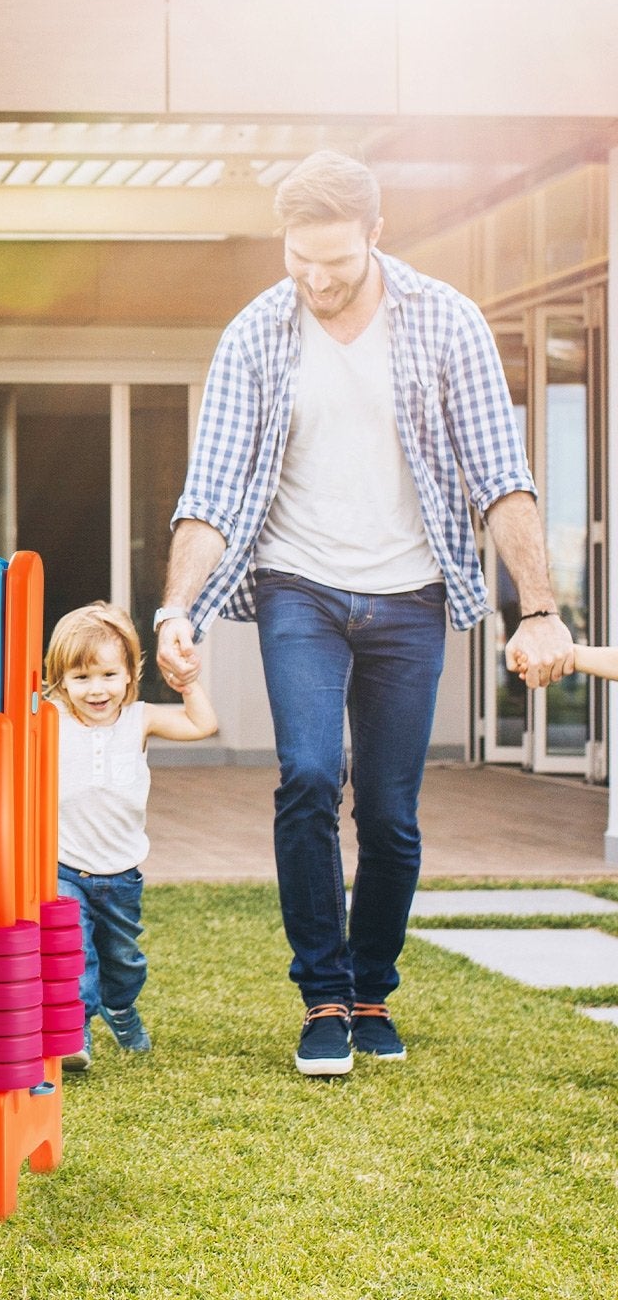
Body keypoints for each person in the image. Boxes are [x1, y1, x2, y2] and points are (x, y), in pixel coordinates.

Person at [155, 150, 572, 1079]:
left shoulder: (446, 322)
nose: (316, 277)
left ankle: (371, 987)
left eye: (335, 259)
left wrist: (537, 609)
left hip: (412, 594)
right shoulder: (258, 334)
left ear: (378, 235)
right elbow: (211, 490)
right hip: (297, 584)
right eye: (299, 257)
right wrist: (175, 606)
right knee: (306, 774)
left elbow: (500, 478)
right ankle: (322, 998)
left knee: (388, 813)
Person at [45, 603, 216, 1073]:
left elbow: (202, 725)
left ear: (130, 672)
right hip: (62, 866)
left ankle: (120, 1007)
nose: (96, 689)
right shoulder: (50, 717)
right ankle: (74, 1033)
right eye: (80, 678)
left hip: (120, 873)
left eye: (107, 675)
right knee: (73, 954)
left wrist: (187, 684)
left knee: (123, 961)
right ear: (60, 680)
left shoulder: (139, 719)